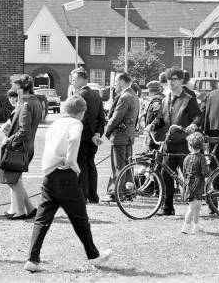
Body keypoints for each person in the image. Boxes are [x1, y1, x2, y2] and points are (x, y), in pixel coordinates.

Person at [24, 95, 112, 272]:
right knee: (80, 219)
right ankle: (93, 255)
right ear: (81, 112)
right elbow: (73, 139)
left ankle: (32, 259)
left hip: (49, 176)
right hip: (66, 176)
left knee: (42, 220)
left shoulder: (56, 124)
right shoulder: (76, 124)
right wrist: (73, 162)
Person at [144, 67, 201, 216]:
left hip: (184, 143)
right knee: (165, 176)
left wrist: (193, 124)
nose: (171, 82)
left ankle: (201, 203)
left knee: (191, 176)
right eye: (169, 79)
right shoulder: (166, 99)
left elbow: (198, 116)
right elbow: (161, 119)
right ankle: (167, 208)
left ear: (181, 80)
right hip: (169, 143)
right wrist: (153, 125)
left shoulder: (189, 98)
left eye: (174, 79)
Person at [0, 74, 41, 220]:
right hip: (28, 147)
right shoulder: (36, 102)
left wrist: (9, 141)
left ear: (23, 88)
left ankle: (19, 212)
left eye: (16, 88)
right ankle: (29, 209)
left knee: (13, 180)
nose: (15, 91)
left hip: (19, 147)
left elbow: (24, 131)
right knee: (16, 179)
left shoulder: (26, 105)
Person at [102, 73, 140, 202]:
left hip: (120, 136)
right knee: (127, 167)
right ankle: (128, 192)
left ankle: (115, 193)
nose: (114, 85)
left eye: (116, 82)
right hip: (128, 136)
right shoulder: (134, 95)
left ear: (123, 82)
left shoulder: (125, 96)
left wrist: (106, 131)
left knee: (118, 166)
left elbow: (116, 117)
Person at [71, 68, 106, 204]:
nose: (73, 82)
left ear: (81, 79)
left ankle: (83, 195)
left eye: (74, 79)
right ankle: (93, 196)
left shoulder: (78, 96)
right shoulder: (96, 95)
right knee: (91, 165)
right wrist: (97, 133)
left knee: (82, 165)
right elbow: (101, 117)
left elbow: (83, 118)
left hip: (83, 136)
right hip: (93, 136)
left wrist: (92, 135)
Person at [181, 132, 209, 234]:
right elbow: (205, 172)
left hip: (189, 184)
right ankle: (185, 226)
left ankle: (196, 225)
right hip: (198, 184)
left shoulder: (186, 158)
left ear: (189, 146)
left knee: (197, 206)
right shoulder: (201, 158)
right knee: (192, 207)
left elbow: (184, 172)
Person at [1, 88, 18, 218]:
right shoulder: (16, 110)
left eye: (15, 96)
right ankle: (18, 208)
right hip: (11, 145)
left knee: (13, 180)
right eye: (11, 97)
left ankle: (15, 209)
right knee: (14, 181)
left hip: (12, 147)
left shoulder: (18, 110)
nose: (13, 99)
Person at [142, 81, 166, 150]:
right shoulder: (162, 97)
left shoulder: (157, 99)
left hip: (156, 132)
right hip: (159, 131)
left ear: (150, 91)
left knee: (153, 154)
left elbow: (157, 115)